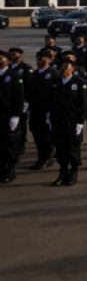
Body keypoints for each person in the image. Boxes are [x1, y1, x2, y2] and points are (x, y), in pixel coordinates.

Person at [48, 54, 87, 186]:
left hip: (73, 121)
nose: (63, 69)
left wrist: (80, 122)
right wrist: (49, 117)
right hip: (58, 120)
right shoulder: (55, 82)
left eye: (66, 67)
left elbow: (84, 105)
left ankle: (73, 172)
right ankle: (63, 171)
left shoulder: (79, 83)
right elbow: (51, 101)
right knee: (60, 147)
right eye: (62, 67)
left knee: (73, 147)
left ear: (73, 69)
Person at [25, 51, 57, 170]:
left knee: (46, 135)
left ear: (49, 60)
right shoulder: (34, 74)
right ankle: (41, 157)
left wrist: (52, 111)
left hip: (47, 109)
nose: (40, 61)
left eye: (43, 59)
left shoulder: (53, 74)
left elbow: (56, 94)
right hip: (35, 109)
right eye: (38, 59)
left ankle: (47, 158)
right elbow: (29, 92)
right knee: (36, 133)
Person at [0, 50, 25, 183]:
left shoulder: (14, 76)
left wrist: (16, 115)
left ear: (8, 61)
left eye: (1, 58)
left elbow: (19, 97)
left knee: (10, 144)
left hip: (9, 116)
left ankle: (10, 169)